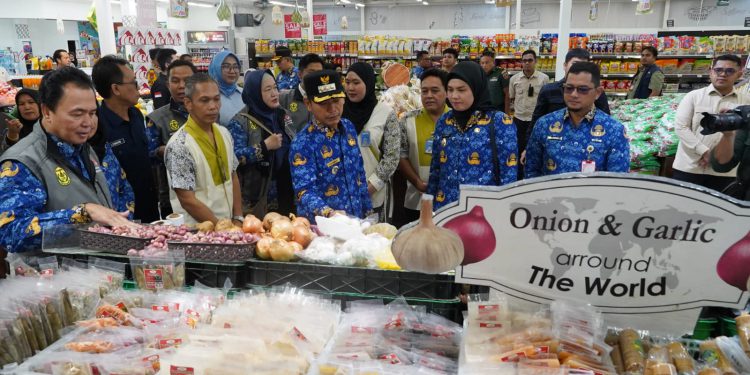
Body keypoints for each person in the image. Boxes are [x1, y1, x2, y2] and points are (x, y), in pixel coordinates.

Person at [0, 67, 136, 253]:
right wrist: (82, 213)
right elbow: (11, 232)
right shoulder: (23, 161)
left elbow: (121, 193)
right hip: (53, 277)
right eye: (77, 114)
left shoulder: (84, 148)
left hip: (102, 272)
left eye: (92, 113)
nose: (88, 123)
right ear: (47, 111)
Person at [427, 62, 518, 210]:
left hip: (484, 212)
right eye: (450, 90)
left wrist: (504, 213)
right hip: (445, 209)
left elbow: (509, 175)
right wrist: (428, 208)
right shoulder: (445, 121)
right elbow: (436, 170)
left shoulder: (500, 122)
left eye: (461, 90)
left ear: (476, 88)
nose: (454, 96)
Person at [289, 70, 373, 222]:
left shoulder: (348, 127)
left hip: (355, 223)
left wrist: (367, 213)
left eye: (336, 100)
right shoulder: (302, 143)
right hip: (323, 230)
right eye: (324, 103)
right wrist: (330, 214)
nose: (333, 109)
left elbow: (359, 174)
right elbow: (304, 191)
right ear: (308, 104)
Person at [525, 62, 630, 179]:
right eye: (569, 88)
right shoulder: (544, 124)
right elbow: (531, 172)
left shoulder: (614, 130)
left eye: (583, 89)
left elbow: (617, 181)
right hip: (550, 196)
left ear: (597, 93)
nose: (574, 94)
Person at [164, 73, 243, 226]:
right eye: (204, 100)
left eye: (216, 99)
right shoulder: (180, 145)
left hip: (228, 227)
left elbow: (233, 176)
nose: (213, 106)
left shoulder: (224, 133)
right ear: (188, 103)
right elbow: (187, 200)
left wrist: (238, 217)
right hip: (198, 233)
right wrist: (223, 229)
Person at [92, 55, 160, 223]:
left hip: (149, 206)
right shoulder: (97, 125)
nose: (138, 87)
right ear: (116, 89)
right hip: (122, 216)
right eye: (134, 83)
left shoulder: (136, 114)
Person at [673, 54, 748, 192]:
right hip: (689, 168)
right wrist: (705, 152)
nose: (723, 74)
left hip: (726, 173)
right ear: (711, 71)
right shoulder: (693, 96)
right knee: (682, 210)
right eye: (718, 70)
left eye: (729, 71)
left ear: (739, 74)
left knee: (719, 212)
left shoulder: (746, 102)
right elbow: (681, 127)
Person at [524, 48, 611, 165]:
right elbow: (536, 120)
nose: (574, 94)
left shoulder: (595, 93)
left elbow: (605, 120)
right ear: (565, 65)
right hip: (552, 149)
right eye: (575, 64)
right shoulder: (548, 90)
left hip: (586, 149)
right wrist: (527, 148)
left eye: (583, 65)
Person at [227, 70, 295, 217]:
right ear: (255, 93)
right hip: (257, 199)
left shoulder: (283, 114)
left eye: (275, 87)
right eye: (267, 89)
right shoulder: (240, 122)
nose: (274, 93)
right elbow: (233, 159)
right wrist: (264, 147)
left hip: (286, 193)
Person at [343, 62, 401, 218]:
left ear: (368, 83)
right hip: (340, 196)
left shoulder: (385, 113)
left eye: (356, 83)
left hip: (373, 196)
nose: (350, 88)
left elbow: (391, 157)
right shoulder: (338, 111)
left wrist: (369, 187)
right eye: (347, 82)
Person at [398, 68, 449, 225]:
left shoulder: (455, 120)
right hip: (416, 199)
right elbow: (402, 154)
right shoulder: (408, 119)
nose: (429, 96)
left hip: (449, 198)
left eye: (435, 90)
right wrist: (417, 182)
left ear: (446, 92)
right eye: (424, 91)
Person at [146, 60, 197, 217]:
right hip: (173, 197)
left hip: (210, 192)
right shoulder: (157, 118)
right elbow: (147, 155)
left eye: (187, 80)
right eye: (175, 81)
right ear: (168, 85)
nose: (182, 86)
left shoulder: (209, 113)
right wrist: (164, 151)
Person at [509, 49, 549, 178]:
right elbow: (512, 98)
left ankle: (534, 177)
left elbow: (546, 101)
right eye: (524, 60)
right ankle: (519, 177)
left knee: (535, 149)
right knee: (518, 149)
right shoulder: (514, 79)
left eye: (530, 60)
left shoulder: (544, 79)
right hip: (519, 120)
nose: (527, 63)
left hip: (536, 121)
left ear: (535, 61)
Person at [279, 53, 324, 133]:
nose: (315, 77)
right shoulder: (284, 98)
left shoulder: (326, 100)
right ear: (300, 74)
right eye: (311, 73)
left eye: (319, 73)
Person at [208, 51, 243, 126]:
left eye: (236, 67)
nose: (232, 71)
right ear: (215, 68)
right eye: (226, 66)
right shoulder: (207, 97)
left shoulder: (244, 93)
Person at [479, 49, 509, 113]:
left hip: (498, 109)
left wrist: (507, 113)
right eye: (482, 63)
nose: (484, 65)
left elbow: (507, 94)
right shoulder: (478, 74)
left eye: (487, 62)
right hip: (483, 109)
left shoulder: (501, 73)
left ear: (493, 63)